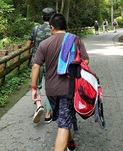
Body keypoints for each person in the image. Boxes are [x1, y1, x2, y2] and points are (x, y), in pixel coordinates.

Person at [30, 14, 89, 151]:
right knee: (63, 122)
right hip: (69, 89)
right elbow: (85, 61)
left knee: (63, 118)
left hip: (51, 90)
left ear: (52, 27)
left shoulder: (45, 44)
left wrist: (34, 88)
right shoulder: (75, 40)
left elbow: (36, 66)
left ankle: (71, 144)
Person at [26, 7, 55, 124]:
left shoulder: (36, 29)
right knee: (50, 87)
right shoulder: (55, 30)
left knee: (36, 86)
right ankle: (48, 115)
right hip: (51, 63)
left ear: (42, 17)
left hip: (37, 62)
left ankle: (38, 105)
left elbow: (27, 45)